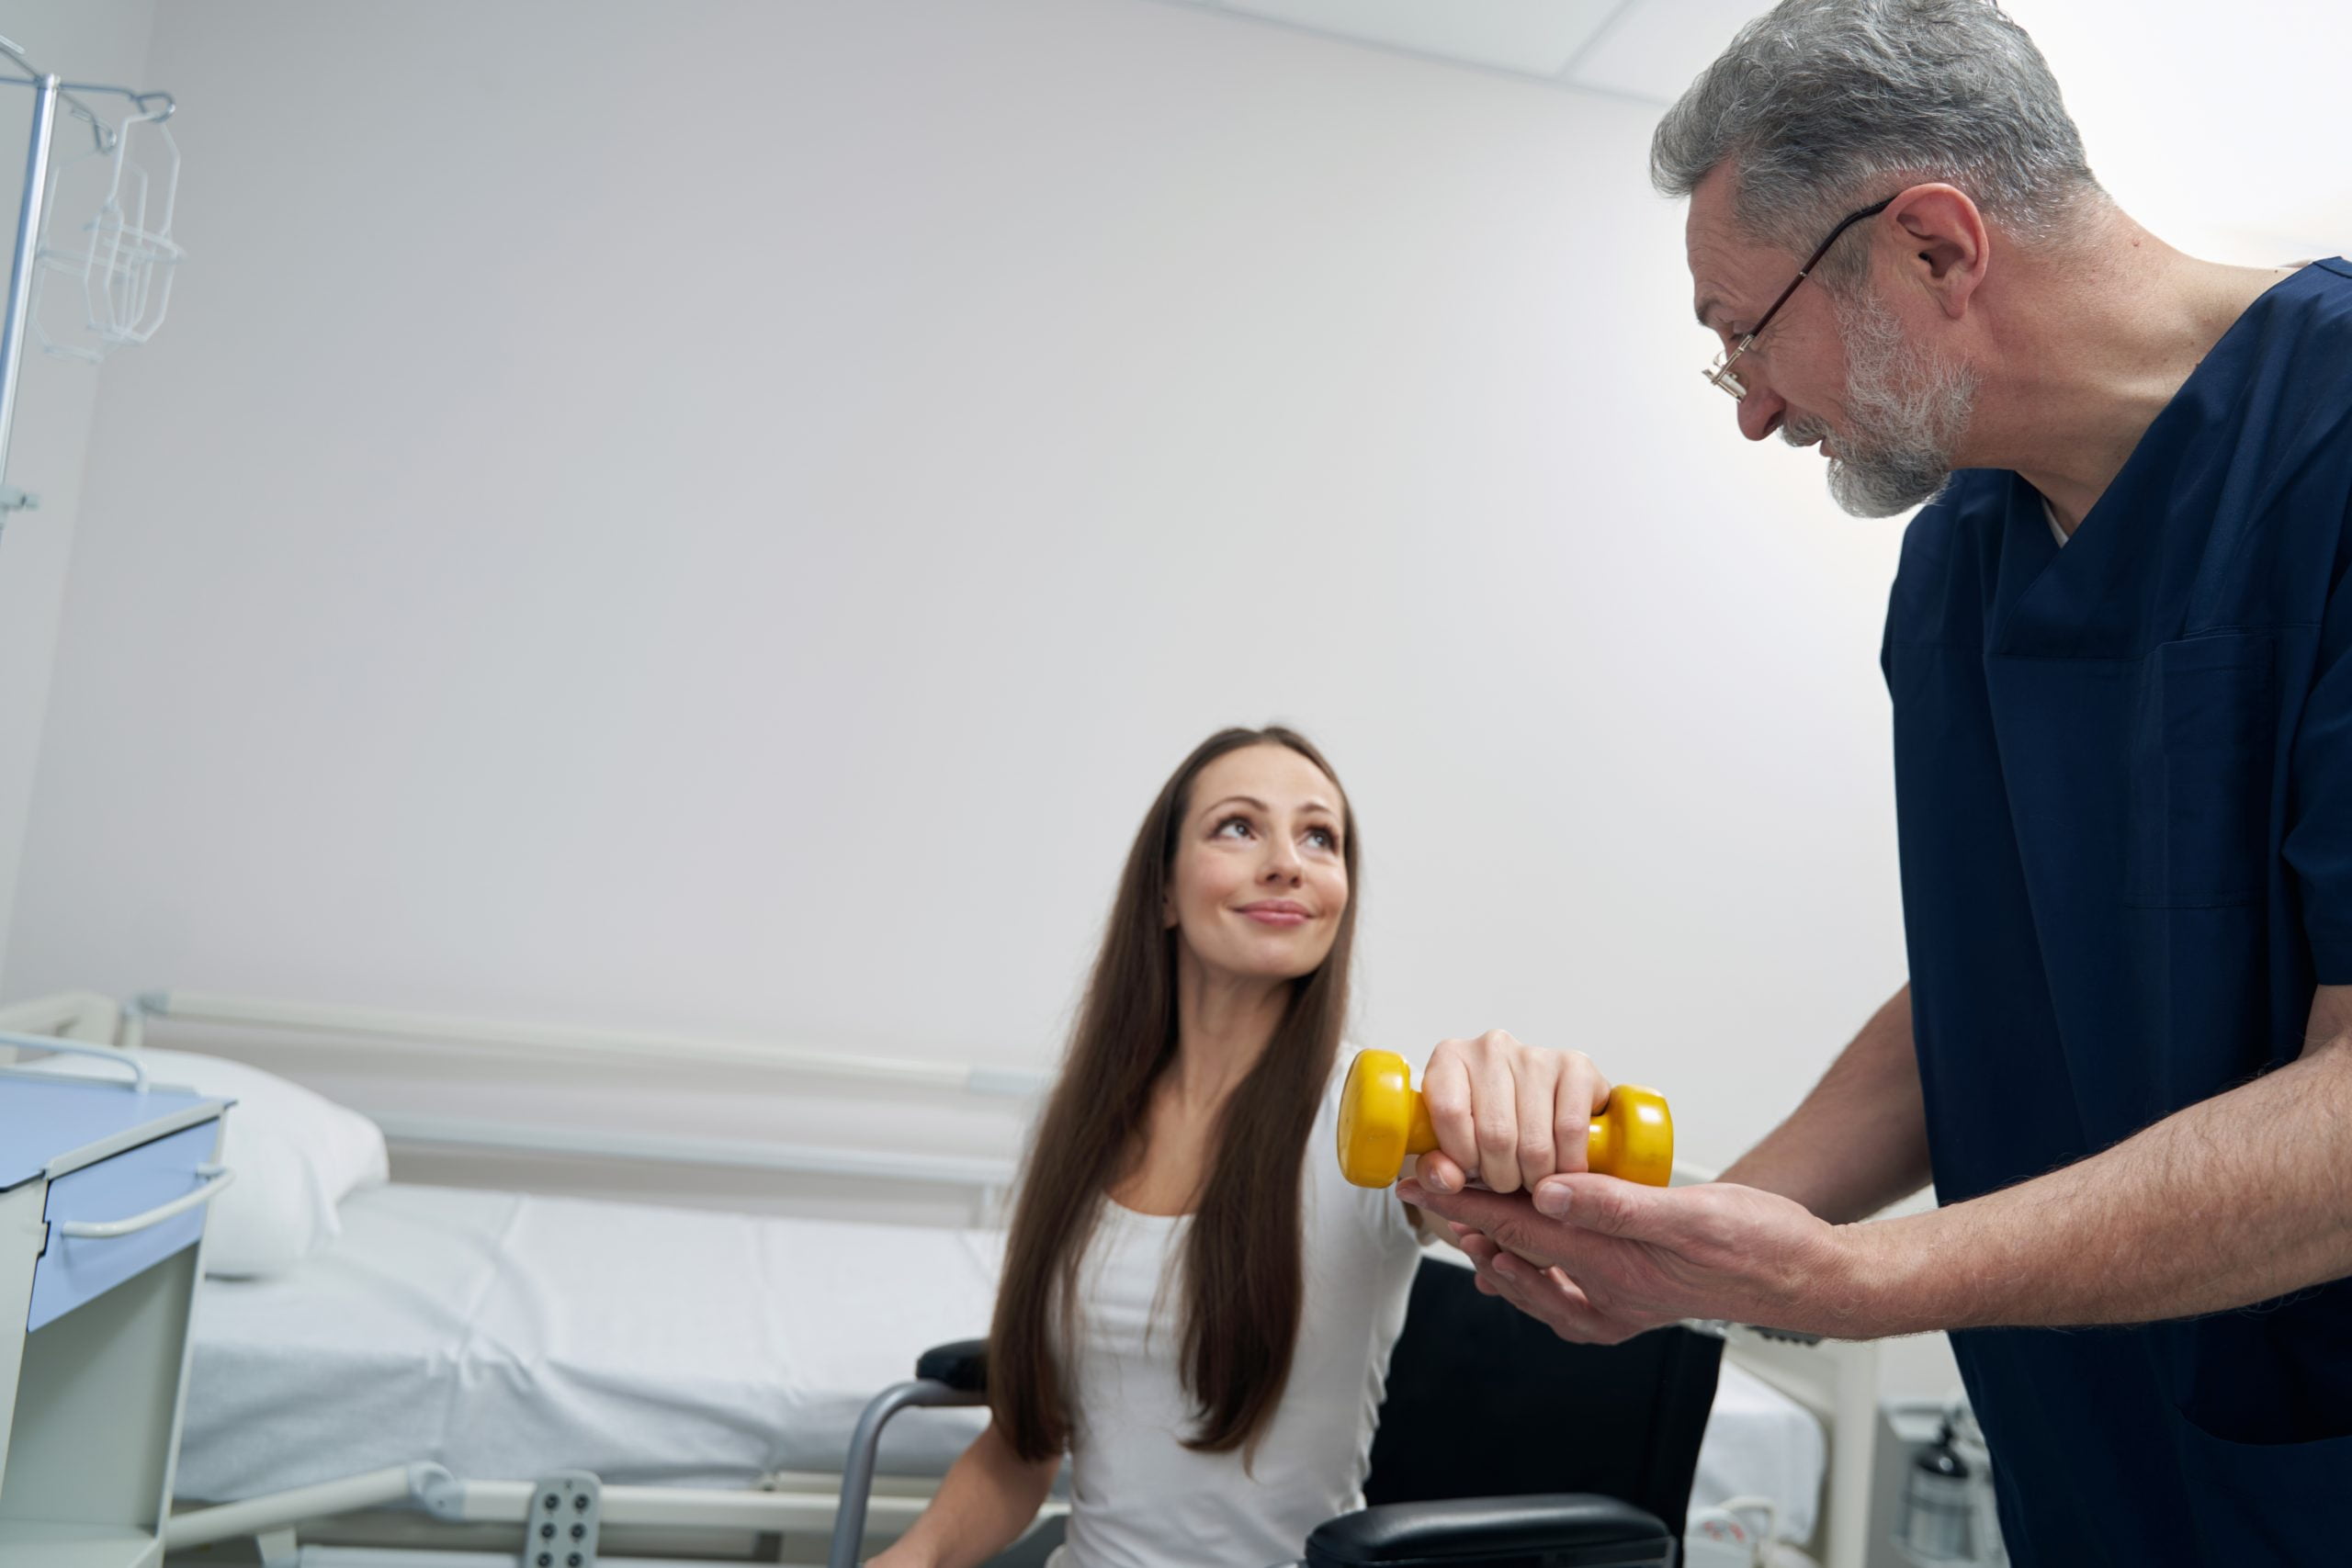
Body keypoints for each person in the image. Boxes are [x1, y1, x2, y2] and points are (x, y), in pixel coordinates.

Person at [1403, 3, 2352, 1563]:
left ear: (1931, 247)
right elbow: (1990, 999)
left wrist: (1858, 1284)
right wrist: (1667, 1239)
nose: (1758, 404)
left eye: (1746, 334)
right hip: (2091, 1473)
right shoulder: (1961, 563)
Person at [869, 726, 1607, 1568]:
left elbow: (1559, 1239)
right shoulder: (1079, 1126)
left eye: (1319, 836)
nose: (1288, 860)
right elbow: (1022, 1447)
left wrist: (1525, 1103)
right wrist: (910, 1559)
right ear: (1164, 893)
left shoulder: (1380, 1123)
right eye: (1238, 826)